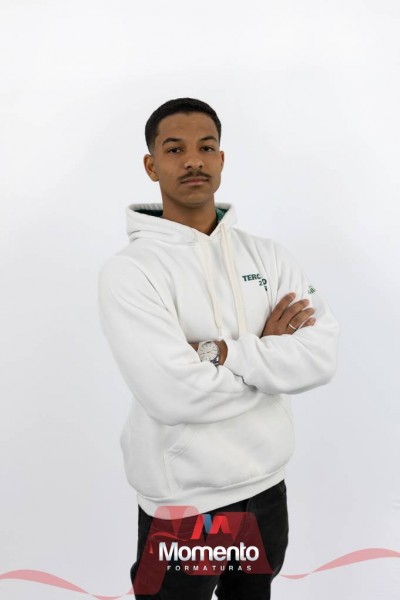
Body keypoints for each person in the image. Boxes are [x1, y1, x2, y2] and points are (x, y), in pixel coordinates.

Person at [97, 97, 339, 599]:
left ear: (221, 160)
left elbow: (320, 357)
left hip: (266, 490)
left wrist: (222, 353)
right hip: (184, 505)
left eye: (206, 148)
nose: (194, 160)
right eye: (175, 149)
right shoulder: (131, 272)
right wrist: (270, 358)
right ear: (151, 166)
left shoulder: (269, 257)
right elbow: (174, 395)